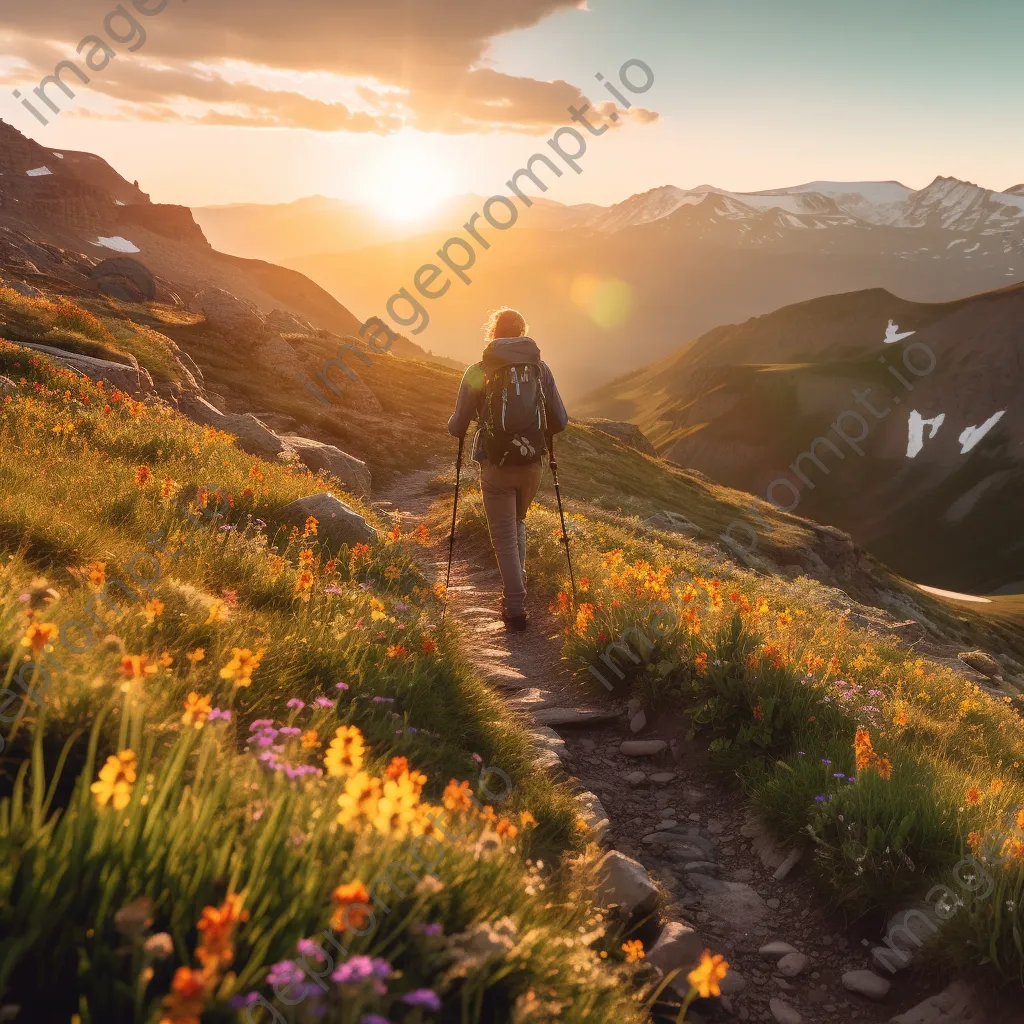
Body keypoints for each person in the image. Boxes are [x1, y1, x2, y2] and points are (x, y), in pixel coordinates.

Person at [447, 308, 568, 631]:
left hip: (496, 464)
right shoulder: (540, 370)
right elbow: (560, 420)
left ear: (493, 334)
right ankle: (519, 589)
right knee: (517, 522)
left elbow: (457, 426)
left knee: (504, 537)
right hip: (532, 465)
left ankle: (515, 606)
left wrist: (459, 422)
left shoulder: (478, 370)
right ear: (523, 333)